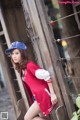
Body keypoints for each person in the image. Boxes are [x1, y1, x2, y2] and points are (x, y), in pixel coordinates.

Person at [5, 41, 57, 120]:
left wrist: (52, 94)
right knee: (43, 117)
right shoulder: (22, 68)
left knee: (27, 118)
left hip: (42, 95)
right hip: (37, 97)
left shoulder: (29, 65)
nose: (14, 56)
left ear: (22, 53)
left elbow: (46, 75)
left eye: (16, 53)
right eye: (12, 54)